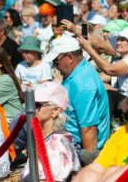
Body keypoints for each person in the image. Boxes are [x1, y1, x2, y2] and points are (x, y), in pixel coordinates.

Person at [43, 35, 110, 165]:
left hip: (77, 143)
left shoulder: (82, 85)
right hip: (69, 135)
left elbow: (89, 128)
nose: (54, 66)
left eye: (56, 61)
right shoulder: (77, 71)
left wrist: (89, 167)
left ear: (70, 57)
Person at [20, 82, 81, 182]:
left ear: (56, 110)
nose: (30, 109)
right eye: (29, 103)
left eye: (37, 104)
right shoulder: (48, 139)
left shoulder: (56, 144)